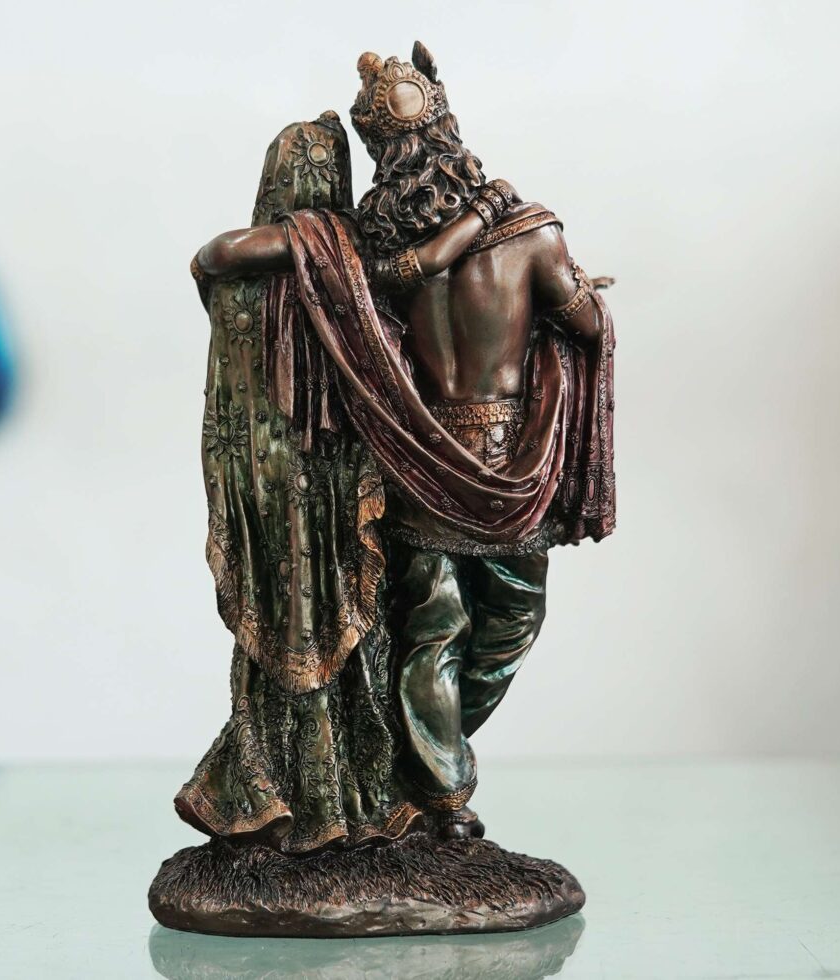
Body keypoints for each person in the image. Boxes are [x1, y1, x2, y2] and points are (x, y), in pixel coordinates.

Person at [191, 43, 615, 840]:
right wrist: (578, 295)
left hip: (417, 453)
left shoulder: (366, 252)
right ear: (450, 130)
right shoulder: (533, 234)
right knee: (505, 623)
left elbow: (220, 256)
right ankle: (441, 786)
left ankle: (429, 771)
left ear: (383, 154)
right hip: (505, 459)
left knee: (433, 631)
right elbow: (587, 325)